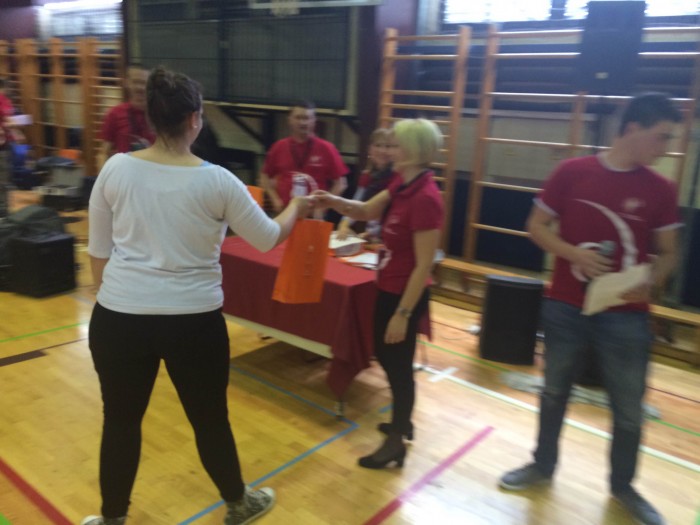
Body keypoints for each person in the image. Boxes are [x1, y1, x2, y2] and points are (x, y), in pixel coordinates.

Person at [83, 66, 314, 525]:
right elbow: (269, 237)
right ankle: (239, 504)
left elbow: (98, 255)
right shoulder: (220, 181)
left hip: (118, 319)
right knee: (210, 420)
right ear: (195, 119)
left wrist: (120, 302)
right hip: (194, 324)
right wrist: (298, 206)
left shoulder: (116, 168)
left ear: (152, 117)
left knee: (120, 421)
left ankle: (112, 520)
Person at [499, 93, 682, 525]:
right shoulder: (572, 172)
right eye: (661, 137)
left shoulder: (662, 189)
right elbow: (536, 227)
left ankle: (623, 488)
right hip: (566, 308)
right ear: (633, 128)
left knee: (629, 407)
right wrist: (574, 254)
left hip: (627, 316)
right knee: (554, 393)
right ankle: (542, 465)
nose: (666, 148)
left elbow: (669, 253)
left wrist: (650, 281)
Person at [314, 118, 444, 469]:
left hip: (404, 295)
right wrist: (331, 200)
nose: (388, 150)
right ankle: (403, 421)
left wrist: (403, 314)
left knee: (397, 367)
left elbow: (424, 265)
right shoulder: (402, 182)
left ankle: (396, 440)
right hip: (387, 285)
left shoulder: (426, 198)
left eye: (395, 145)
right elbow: (366, 210)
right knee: (388, 359)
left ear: (412, 151)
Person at [260, 100, 347, 214]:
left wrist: (324, 207)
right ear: (290, 120)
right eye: (298, 118)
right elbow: (264, 177)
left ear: (314, 121)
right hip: (285, 212)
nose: (303, 122)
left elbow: (341, 183)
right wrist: (275, 200)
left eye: (307, 118)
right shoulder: (279, 146)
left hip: (313, 214)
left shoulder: (327, 148)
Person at [335, 127, 396, 241]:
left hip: (390, 235)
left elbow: (395, 213)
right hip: (372, 237)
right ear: (370, 149)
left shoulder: (398, 177)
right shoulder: (367, 176)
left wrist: (372, 233)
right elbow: (356, 202)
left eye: (387, 146)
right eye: (378, 145)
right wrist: (344, 224)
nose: (382, 150)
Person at [96, 64, 156, 169]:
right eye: (135, 82)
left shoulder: (160, 115)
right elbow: (103, 153)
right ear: (127, 83)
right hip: (125, 173)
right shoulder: (115, 113)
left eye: (143, 83)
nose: (139, 87)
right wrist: (103, 176)